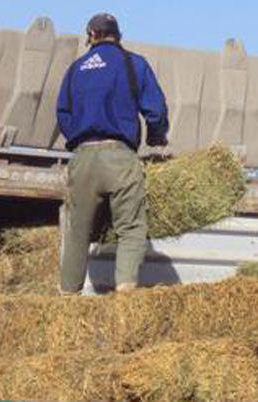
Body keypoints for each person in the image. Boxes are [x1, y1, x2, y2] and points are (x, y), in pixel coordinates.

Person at [56, 12, 169, 294]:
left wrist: (80, 140)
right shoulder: (134, 64)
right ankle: (125, 293)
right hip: (119, 157)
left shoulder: (76, 69)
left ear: (91, 35)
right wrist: (156, 136)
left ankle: (68, 297)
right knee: (130, 229)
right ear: (117, 35)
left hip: (83, 158)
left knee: (77, 232)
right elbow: (155, 109)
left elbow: (63, 114)